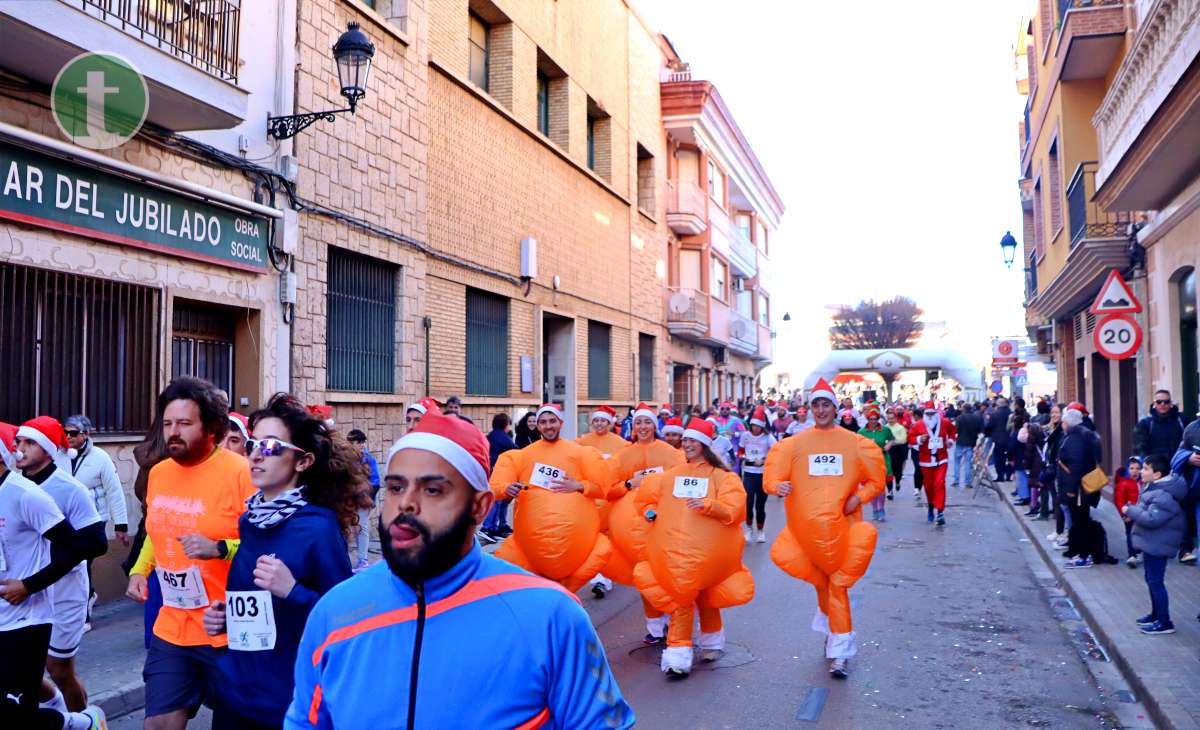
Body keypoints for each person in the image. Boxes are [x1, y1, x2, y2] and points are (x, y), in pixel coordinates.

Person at [285, 412, 633, 728]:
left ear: (480, 507)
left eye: (433, 489)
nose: (406, 503)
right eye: (395, 487)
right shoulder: (336, 611)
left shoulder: (553, 615)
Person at [199, 394, 360, 728]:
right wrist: (228, 617)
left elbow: (348, 620)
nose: (256, 454)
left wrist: (294, 591)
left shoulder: (318, 527)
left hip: (286, 702)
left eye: (271, 446)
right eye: (253, 444)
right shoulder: (249, 520)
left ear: (302, 462)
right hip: (235, 691)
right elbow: (258, 608)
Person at [124, 377, 255, 730]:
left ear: (212, 428)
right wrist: (140, 569)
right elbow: (157, 528)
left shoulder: (241, 473)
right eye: (167, 424)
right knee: (159, 724)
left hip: (228, 629)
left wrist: (219, 549)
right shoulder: (160, 473)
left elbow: (266, 546)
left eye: (184, 423)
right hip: (173, 625)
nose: (173, 433)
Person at [763, 378, 884, 679]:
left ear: (836, 408)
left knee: (837, 586)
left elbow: (876, 481)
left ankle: (840, 653)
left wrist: (858, 497)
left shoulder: (856, 444)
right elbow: (770, 480)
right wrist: (779, 486)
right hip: (806, 534)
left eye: (826, 404)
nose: (820, 410)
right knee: (822, 586)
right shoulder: (793, 445)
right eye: (816, 404)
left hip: (844, 529)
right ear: (810, 408)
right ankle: (833, 635)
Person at [0, 423, 108, 730]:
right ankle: (60, 713)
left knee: (58, 669)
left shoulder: (66, 489)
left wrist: (34, 578)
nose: (20, 447)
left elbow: (95, 543)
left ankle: (84, 722)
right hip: (22, 594)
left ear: (47, 449)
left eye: (29, 442)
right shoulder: (14, 486)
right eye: (18, 441)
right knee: (32, 677)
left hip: (63, 590)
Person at [634, 418, 754, 677]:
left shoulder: (723, 477)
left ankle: (708, 641)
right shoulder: (670, 476)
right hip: (676, 554)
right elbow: (645, 499)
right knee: (684, 594)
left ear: (705, 444)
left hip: (710, 552)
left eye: (692, 440)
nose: (686, 444)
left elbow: (735, 510)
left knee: (707, 594)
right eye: (685, 440)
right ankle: (680, 653)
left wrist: (709, 505)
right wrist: (650, 511)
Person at [489, 404, 616, 592]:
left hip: (574, 544)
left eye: (552, 421)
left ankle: (567, 602)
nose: (548, 426)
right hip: (531, 547)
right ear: (537, 426)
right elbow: (495, 486)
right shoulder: (524, 455)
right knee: (533, 587)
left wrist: (580, 486)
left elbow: (604, 489)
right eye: (543, 422)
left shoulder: (580, 453)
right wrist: (507, 488)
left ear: (560, 423)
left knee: (598, 552)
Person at [604, 405, 685, 644]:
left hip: (664, 522)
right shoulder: (623, 455)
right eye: (638, 423)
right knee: (644, 575)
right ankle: (655, 627)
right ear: (633, 426)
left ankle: (675, 618)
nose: (642, 427)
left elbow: (683, 481)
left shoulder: (670, 453)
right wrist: (629, 484)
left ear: (654, 426)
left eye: (647, 422)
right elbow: (608, 490)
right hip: (633, 528)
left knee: (668, 571)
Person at [64, 414, 130, 627]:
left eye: (73, 433)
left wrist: (121, 526)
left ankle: (83, 617)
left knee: (83, 564)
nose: (68, 436)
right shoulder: (60, 455)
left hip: (92, 521)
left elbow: (115, 491)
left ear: (86, 434)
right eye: (65, 432)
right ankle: (89, 594)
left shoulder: (99, 457)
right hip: (66, 521)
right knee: (71, 565)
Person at [1123, 453, 1187, 635]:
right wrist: (1134, 511)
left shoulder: (1164, 494)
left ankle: (1165, 622)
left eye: (1145, 468)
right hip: (1153, 542)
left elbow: (1152, 519)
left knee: (1156, 582)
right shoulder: (1154, 486)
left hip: (1159, 543)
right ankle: (1155, 614)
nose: (1141, 472)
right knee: (1150, 580)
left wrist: (1130, 510)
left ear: (1157, 474)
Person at [576, 405, 629, 598]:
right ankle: (599, 577)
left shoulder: (621, 444)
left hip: (611, 498)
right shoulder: (582, 442)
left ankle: (606, 575)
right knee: (593, 538)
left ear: (609, 423)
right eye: (596, 421)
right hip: (589, 498)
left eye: (603, 421)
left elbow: (626, 468)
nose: (599, 424)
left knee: (608, 538)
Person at [1059, 405, 1107, 568]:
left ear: (1068, 423)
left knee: (1080, 521)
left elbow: (1076, 467)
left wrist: (1071, 490)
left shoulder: (1075, 439)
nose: (1062, 424)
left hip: (1079, 489)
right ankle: (1081, 553)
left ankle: (1083, 555)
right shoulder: (1085, 435)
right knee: (1081, 520)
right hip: (1082, 487)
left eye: (1063, 421)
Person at [908, 402, 956, 526]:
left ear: (935, 413)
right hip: (926, 460)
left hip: (941, 458)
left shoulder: (944, 422)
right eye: (927, 414)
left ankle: (940, 512)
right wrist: (919, 439)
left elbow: (952, 431)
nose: (929, 416)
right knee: (929, 486)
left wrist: (950, 440)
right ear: (924, 414)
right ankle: (930, 505)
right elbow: (910, 438)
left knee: (940, 483)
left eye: (932, 413)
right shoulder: (918, 425)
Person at [346, 429, 381, 573]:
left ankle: (363, 560)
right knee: (345, 529)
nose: (361, 445)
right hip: (347, 498)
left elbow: (376, 481)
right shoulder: (345, 459)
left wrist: (369, 499)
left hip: (364, 499)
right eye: (358, 442)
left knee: (363, 527)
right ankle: (344, 559)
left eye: (362, 442)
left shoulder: (369, 458)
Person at [740, 407, 777, 540]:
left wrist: (763, 460)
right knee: (748, 503)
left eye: (757, 426)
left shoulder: (768, 437)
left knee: (760, 505)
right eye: (753, 425)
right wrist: (743, 457)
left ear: (762, 426)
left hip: (762, 474)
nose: (755, 428)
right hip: (749, 473)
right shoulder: (745, 436)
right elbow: (740, 450)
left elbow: (776, 452)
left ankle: (760, 531)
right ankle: (749, 529)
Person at [481, 413, 517, 538]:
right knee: (497, 501)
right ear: (506, 425)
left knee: (499, 500)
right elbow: (516, 451)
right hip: (499, 473)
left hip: (490, 470)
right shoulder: (504, 437)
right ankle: (489, 527)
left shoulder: (490, 436)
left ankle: (496, 526)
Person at [857, 405, 893, 522]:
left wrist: (888, 445)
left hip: (882, 460)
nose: (873, 421)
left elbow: (892, 439)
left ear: (878, 419)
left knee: (881, 486)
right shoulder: (861, 432)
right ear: (867, 419)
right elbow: (857, 447)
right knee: (872, 487)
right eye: (870, 419)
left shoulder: (885, 430)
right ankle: (875, 509)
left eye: (875, 419)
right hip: (868, 462)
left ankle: (881, 509)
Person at [1115, 458, 1143, 568]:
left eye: (1138, 468)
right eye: (1132, 468)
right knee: (1130, 533)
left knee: (1141, 533)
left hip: (1141, 514)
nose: (1135, 471)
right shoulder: (1123, 483)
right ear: (1127, 469)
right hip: (1129, 514)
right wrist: (1124, 515)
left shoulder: (1143, 482)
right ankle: (1132, 555)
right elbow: (1119, 501)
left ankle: (1139, 552)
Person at [952, 403, 983, 488]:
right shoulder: (976, 418)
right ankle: (968, 482)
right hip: (970, 443)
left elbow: (955, 429)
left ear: (963, 409)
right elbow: (979, 430)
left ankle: (956, 480)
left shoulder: (959, 418)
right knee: (968, 463)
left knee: (957, 462)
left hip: (960, 442)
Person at [985, 397, 1013, 481]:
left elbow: (989, 426)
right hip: (1010, 439)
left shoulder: (994, 414)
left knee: (999, 459)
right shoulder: (1011, 413)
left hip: (998, 440)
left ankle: (1000, 476)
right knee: (1009, 458)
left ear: (998, 405)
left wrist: (987, 433)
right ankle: (1008, 476)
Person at [884, 408, 907, 500]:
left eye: (892, 418)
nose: (890, 420)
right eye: (889, 419)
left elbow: (903, 439)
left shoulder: (900, 428)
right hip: (888, 451)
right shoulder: (885, 428)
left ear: (895, 419)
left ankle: (897, 481)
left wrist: (892, 442)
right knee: (888, 471)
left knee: (897, 470)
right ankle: (890, 491)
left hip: (898, 450)